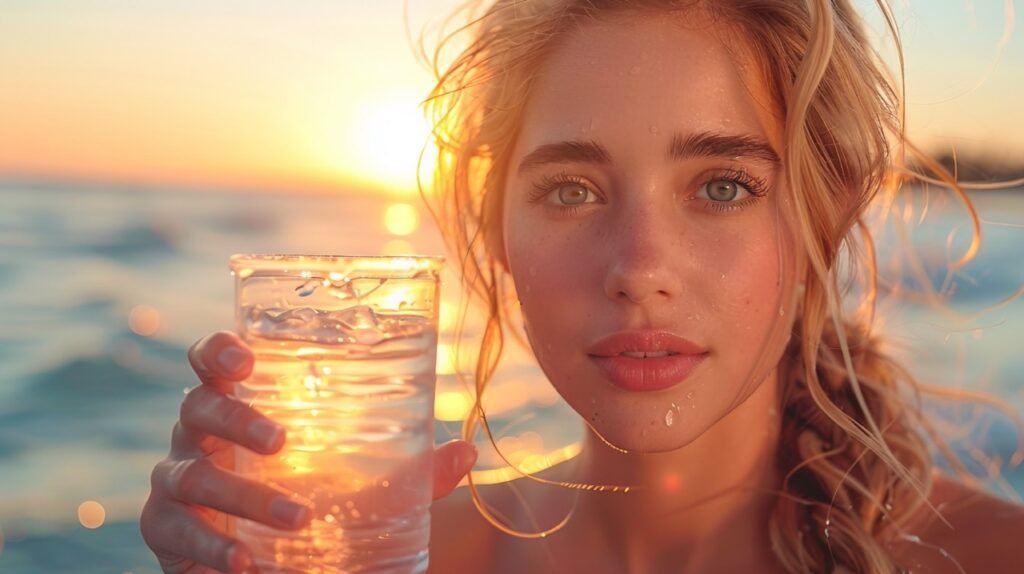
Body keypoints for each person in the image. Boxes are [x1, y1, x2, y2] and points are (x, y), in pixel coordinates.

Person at [140, 1, 1024, 572]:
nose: (639, 269)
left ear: (823, 215)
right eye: (572, 190)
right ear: (496, 230)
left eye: (722, 186)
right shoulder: (386, 562)